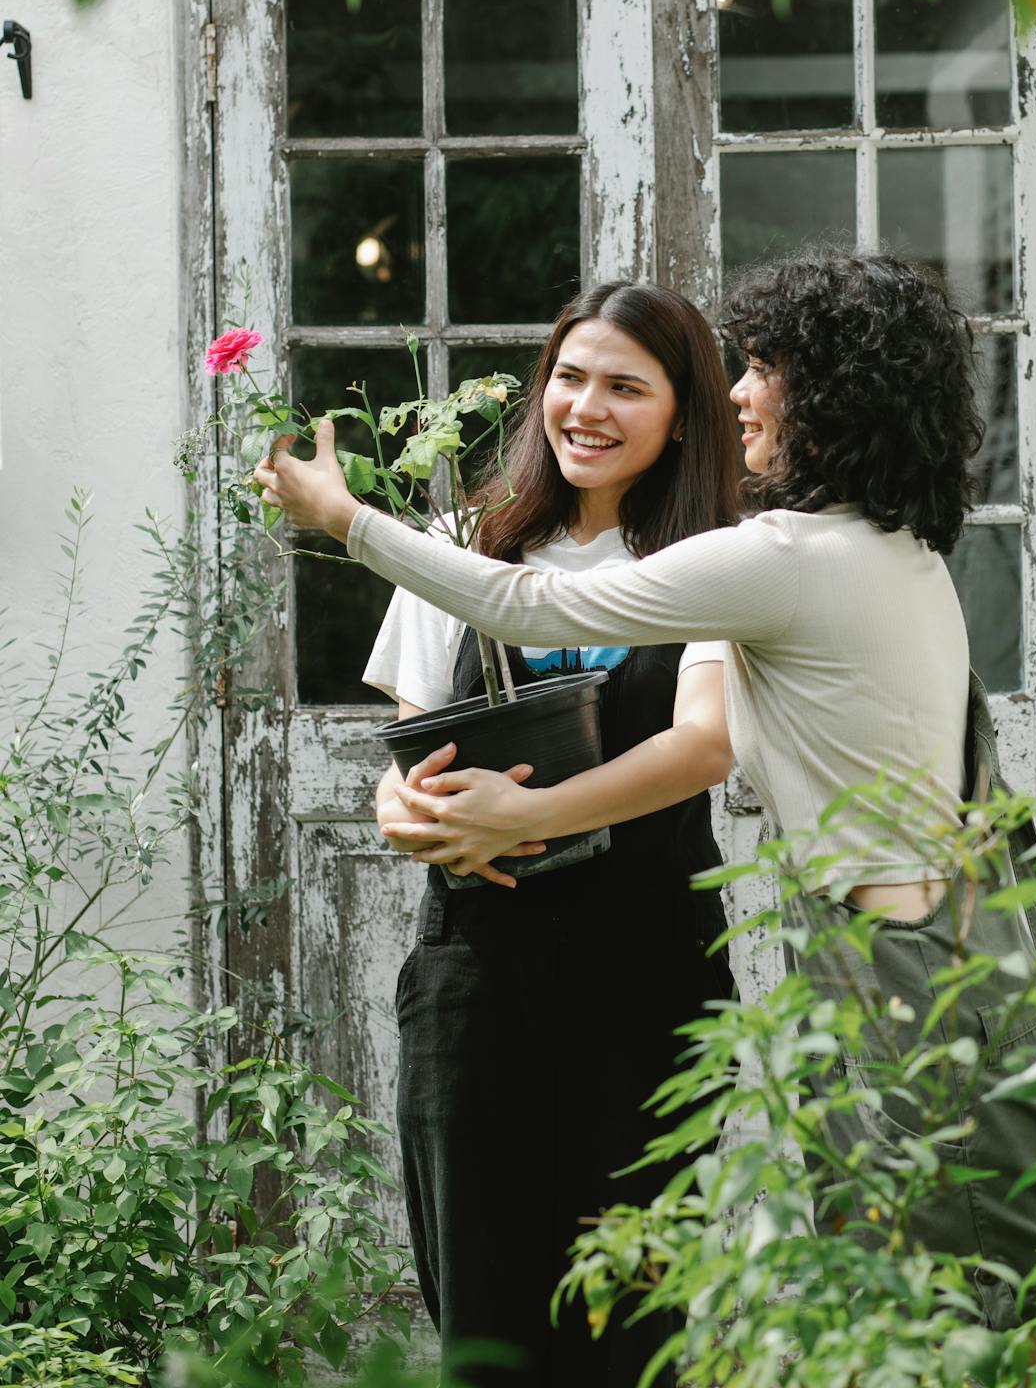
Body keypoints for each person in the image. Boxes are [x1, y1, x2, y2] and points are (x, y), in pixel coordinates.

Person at [257, 247, 1036, 1330]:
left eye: (764, 368)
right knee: (954, 1286)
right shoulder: (889, 548)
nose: (738, 390)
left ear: (828, 393)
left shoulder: (783, 558)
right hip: (960, 944)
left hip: (897, 967)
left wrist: (345, 518)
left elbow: (538, 616)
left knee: (948, 1301)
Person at [345, 282, 740, 1388]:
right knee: (481, 1322)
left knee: (638, 1326)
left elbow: (703, 745)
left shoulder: (714, 558)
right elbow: (408, 754)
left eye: (625, 386)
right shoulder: (459, 544)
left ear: (680, 413)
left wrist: (527, 814)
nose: (586, 408)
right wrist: (406, 814)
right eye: (570, 378)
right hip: (477, 983)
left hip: (646, 981)